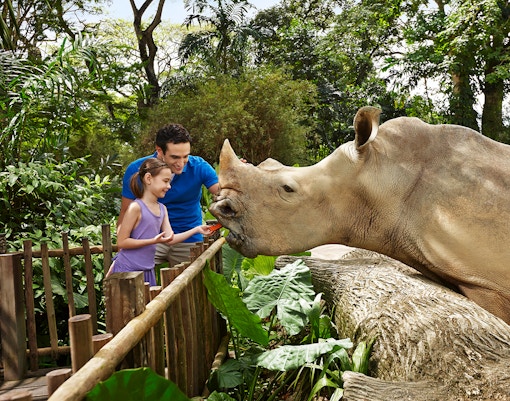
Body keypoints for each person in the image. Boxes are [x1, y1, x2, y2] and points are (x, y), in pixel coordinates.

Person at [118, 123, 219, 268]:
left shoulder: (199, 167)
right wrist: (122, 249)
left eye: (185, 156)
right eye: (175, 157)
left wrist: (235, 176)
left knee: (191, 287)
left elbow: (222, 193)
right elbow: (125, 211)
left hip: (188, 238)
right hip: (149, 239)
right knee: (136, 282)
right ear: (159, 150)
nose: (181, 163)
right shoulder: (137, 169)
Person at [108, 158, 212, 285]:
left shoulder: (162, 209)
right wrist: (153, 241)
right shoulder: (135, 207)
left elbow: (170, 238)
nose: (169, 186)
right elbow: (122, 241)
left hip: (147, 271)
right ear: (148, 179)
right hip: (128, 270)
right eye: (165, 181)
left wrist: (197, 229)